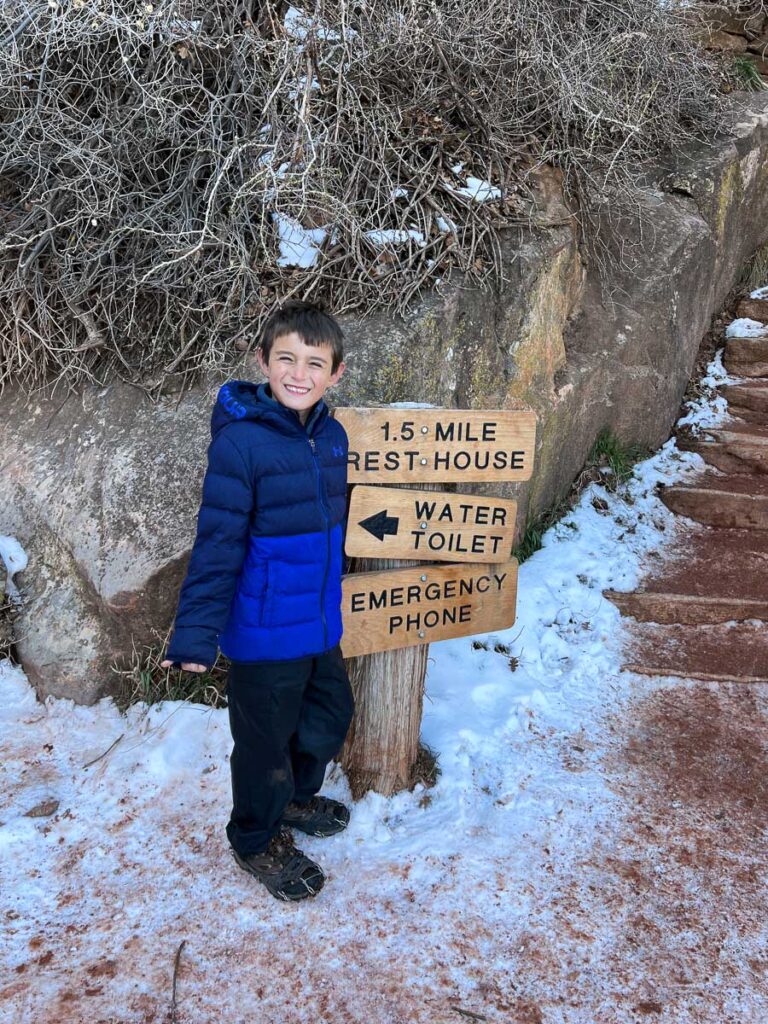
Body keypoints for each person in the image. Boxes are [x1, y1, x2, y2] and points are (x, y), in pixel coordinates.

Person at [161, 301, 354, 902]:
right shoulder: (240, 446)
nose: (299, 374)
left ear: (335, 373)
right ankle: (255, 838)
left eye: (314, 363)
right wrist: (195, 633)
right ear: (263, 362)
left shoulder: (331, 435)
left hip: (317, 623)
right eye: (286, 359)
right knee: (264, 745)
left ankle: (293, 799)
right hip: (265, 627)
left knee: (327, 718)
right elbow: (217, 544)